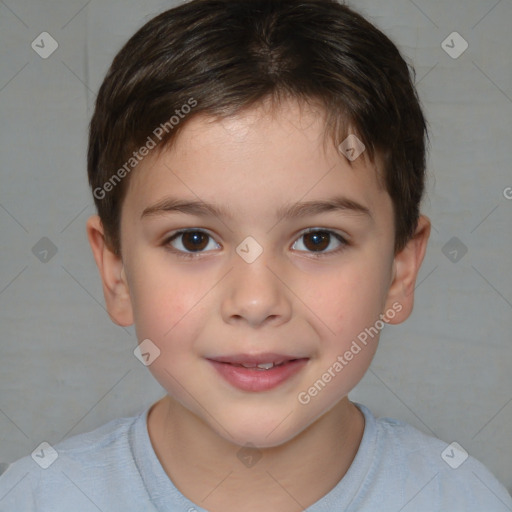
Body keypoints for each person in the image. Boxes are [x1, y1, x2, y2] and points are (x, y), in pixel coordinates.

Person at [1, 1, 510, 510]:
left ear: (401, 271)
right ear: (117, 274)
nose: (255, 301)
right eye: (193, 240)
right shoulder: (37, 497)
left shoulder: (461, 497)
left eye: (317, 239)